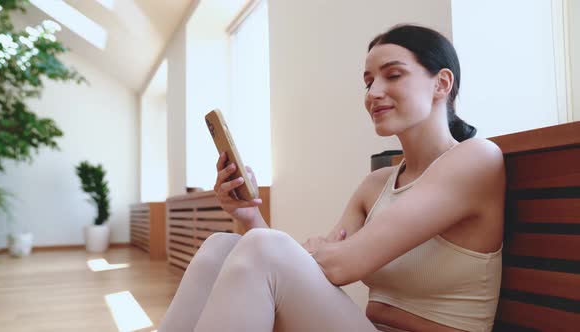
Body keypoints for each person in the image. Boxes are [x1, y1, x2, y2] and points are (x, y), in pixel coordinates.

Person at [158, 24, 505, 332]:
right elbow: (313, 269)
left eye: (393, 75)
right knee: (222, 245)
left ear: (442, 83)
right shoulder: (376, 185)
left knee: (269, 247)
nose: (372, 93)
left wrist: (322, 252)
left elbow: (339, 265)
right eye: (368, 82)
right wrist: (248, 216)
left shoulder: (476, 159)